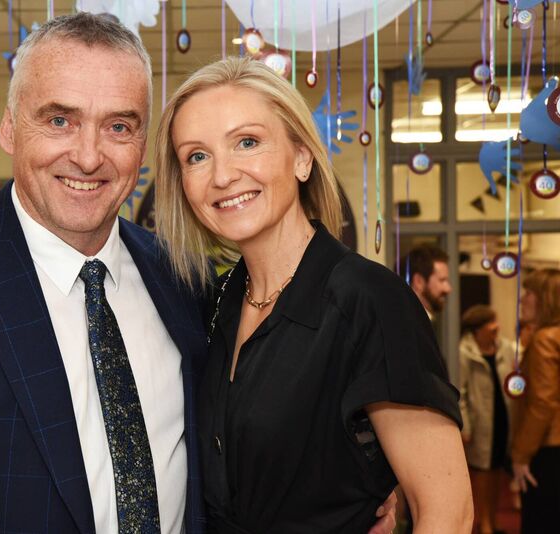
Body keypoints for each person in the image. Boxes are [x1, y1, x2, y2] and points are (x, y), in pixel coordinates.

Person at [0, 14, 395, 534]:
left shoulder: (185, 279)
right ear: (11, 128)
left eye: (119, 126)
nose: (89, 156)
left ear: (143, 145)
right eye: (60, 120)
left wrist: (386, 488)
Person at [155, 57, 473, 532]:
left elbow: (447, 513)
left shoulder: (368, 299)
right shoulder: (215, 302)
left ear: (302, 157)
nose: (222, 176)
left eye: (248, 142)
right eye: (196, 156)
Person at [459, 305, 516, 534]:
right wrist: (466, 424)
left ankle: (493, 519)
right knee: (483, 472)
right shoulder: (464, 352)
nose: (497, 327)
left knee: (497, 470)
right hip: (481, 422)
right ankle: (484, 523)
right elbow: (460, 392)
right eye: (490, 323)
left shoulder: (505, 348)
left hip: (503, 417)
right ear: (477, 330)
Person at [511, 268, 560, 533]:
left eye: (529, 292)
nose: (523, 298)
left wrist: (520, 454)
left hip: (547, 450)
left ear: (545, 298)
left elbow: (543, 403)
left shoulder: (544, 340)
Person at [400, 244, 451, 321]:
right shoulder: (407, 324)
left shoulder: (420, 322)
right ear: (418, 282)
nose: (448, 289)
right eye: (442, 280)